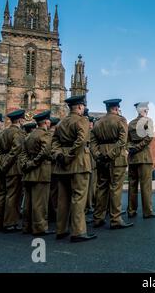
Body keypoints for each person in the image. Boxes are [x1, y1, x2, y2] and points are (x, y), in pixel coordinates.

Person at [51, 95, 96, 243]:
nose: (83, 109)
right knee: (78, 198)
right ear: (80, 107)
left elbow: (55, 142)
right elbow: (81, 141)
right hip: (78, 165)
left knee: (63, 199)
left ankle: (61, 229)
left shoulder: (61, 122)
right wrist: (69, 156)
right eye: (83, 106)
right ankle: (78, 231)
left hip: (61, 166)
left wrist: (59, 155)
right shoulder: (82, 120)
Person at [90, 99, 133, 230]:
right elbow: (122, 141)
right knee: (115, 188)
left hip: (101, 157)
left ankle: (98, 217)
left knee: (101, 187)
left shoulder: (98, 122)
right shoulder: (121, 120)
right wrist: (110, 155)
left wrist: (98, 155)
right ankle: (115, 219)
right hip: (116, 158)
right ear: (116, 108)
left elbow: (92, 142)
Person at [20, 111, 54, 236]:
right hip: (41, 172)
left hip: (28, 173)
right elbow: (45, 152)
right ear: (46, 122)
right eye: (49, 121)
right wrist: (34, 163)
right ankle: (39, 227)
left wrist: (26, 164)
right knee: (40, 202)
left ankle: (26, 226)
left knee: (28, 202)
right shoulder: (45, 134)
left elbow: (22, 153)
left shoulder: (29, 136)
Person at [127, 102, 155, 219]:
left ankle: (131, 210)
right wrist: (137, 147)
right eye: (146, 109)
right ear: (144, 110)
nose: (147, 111)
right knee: (145, 186)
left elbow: (127, 141)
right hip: (144, 157)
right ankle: (147, 211)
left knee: (132, 184)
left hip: (132, 158)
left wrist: (131, 148)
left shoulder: (130, 123)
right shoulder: (148, 121)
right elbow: (149, 137)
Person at [0, 109, 26, 233]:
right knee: (13, 196)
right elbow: (15, 151)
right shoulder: (18, 133)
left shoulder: (2, 133)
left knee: (2, 195)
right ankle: (10, 223)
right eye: (23, 119)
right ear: (19, 120)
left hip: (2, 167)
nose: (23, 121)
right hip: (13, 169)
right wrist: (5, 165)